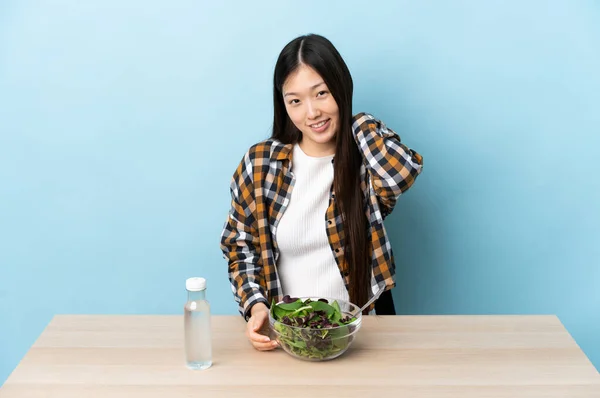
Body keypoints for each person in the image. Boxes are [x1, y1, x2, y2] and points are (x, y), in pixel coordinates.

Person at [220, 34, 423, 351]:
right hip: (289, 335)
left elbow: (399, 175)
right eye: (296, 101)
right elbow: (239, 247)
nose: (311, 112)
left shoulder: (365, 162)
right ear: (283, 104)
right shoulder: (260, 164)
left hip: (361, 333)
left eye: (322, 93)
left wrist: (359, 123)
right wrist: (256, 306)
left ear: (341, 89)